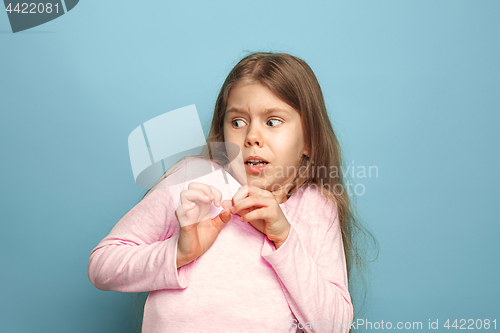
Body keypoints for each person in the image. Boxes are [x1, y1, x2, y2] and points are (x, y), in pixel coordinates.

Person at [88, 52, 375, 332]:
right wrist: (178, 252)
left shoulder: (315, 208)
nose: (252, 137)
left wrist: (284, 239)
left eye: (273, 121)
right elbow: (102, 265)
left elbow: (335, 326)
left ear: (308, 142)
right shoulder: (191, 181)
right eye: (238, 122)